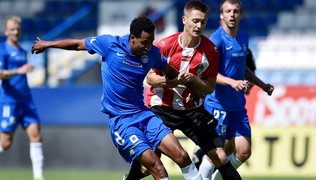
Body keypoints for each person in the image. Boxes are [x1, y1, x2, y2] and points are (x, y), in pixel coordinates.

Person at [31, 16, 203, 180]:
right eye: (144, 42)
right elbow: (77, 44)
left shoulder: (153, 53)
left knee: (181, 156)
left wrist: (189, 86)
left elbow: (171, 74)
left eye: (151, 42)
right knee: (157, 167)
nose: (148, 46)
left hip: (144, 114)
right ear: (133, 37)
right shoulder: (109, 45)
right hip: (122, 122)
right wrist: (47, 44)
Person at [124, 1, 242, 180]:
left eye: (202, 22)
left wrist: (193, 79)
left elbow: (209, 87)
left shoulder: (210, 50)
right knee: (147, 166)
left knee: (220, 157)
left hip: (192, 111)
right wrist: (169, 81)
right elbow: (149, 78)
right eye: (195, 21)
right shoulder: (164, 45)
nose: (199, 26)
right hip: (162, 109)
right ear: (184, 20)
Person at [197, 0, 274, 179]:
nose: (232, 14)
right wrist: (232, 82)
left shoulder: (243, 37)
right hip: (218, 105)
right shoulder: (216, 40)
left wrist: (262, 85)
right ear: (222, 15)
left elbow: (242, 68)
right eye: (228, 11)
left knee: (244, 151)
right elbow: (208, 73)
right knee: (216, 153)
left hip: (238, 107)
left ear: (241, 15)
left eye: (236, 11)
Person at [0, 16, 45, 180]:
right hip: (9, 101)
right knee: (5, 143)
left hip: (26, 101)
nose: (16, 32)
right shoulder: (3, 50)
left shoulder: (22, 51)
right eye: (12, 29)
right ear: (6, 31)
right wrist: (18, 71)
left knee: (36, 135)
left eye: (18, 29)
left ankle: (39, 177)